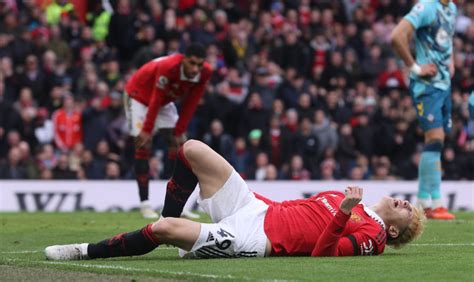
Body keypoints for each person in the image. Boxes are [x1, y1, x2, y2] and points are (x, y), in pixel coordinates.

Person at [44, 140, 425, 260]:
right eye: (410, 203)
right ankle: (176, 234)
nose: (407, 204)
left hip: (255, 239)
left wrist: (341, 214)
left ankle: (83, 251)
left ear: (393, 229)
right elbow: (301, 212)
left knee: (162, 230)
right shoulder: (355, 201)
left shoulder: (372, 238)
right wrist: (343, 208)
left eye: (409, 213)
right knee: (192, 149)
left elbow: (323, 255)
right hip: (258, 207)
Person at [123, 43, 212, 219]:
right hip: (138, 96)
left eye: (199, 65)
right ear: (184, 59)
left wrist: (180, 130)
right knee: (143, 145)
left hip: (164, 100)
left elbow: (191, 102)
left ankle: (176, 206)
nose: (195, 69)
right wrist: (147, 129)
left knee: (179, 146)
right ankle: (145, 204)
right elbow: (155, 98)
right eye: (192, 64)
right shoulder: (168, 67)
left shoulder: (205, 72)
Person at [390, 0, 457, 219]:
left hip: (443, 85)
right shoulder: (427, 6)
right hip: (427, 87)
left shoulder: (451, 8)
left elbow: (446, 39)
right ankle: (435, 202)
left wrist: (451, 60)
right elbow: (397, 36)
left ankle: (423, 201)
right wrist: (415, 67)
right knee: (435, 139)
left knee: (436, 142)